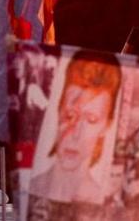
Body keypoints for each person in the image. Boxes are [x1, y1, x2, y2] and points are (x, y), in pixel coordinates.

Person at [27, 52, 122, 220]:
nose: (76, 133)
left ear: (106, 126)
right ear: (58, 110)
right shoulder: (28, 191)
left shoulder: (110, 206)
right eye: (70, 115)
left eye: (91, 120)